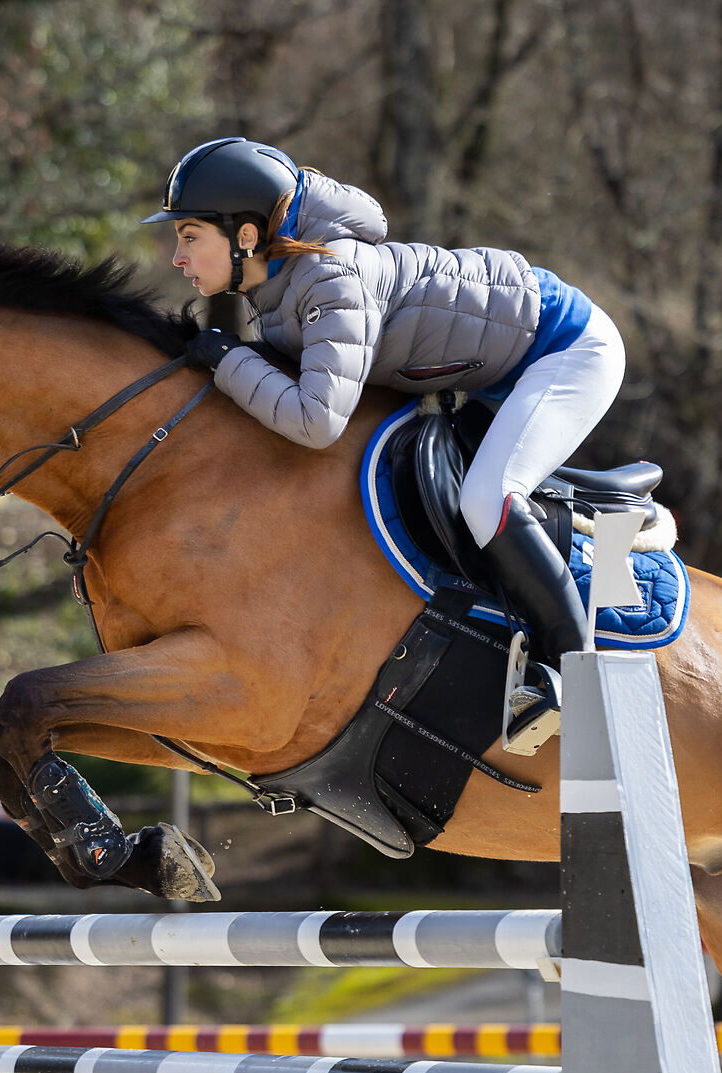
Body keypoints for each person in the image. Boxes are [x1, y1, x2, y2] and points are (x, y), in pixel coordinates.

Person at [145, 136, 623, 753]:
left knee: (488, 499)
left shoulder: (330, 277)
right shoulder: (278, 286)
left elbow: (318, 422)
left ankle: (572, 674)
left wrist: (229, 360)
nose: (177, 257)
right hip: (500, 366)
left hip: (567, 348)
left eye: (188, 236)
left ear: (244, 237)